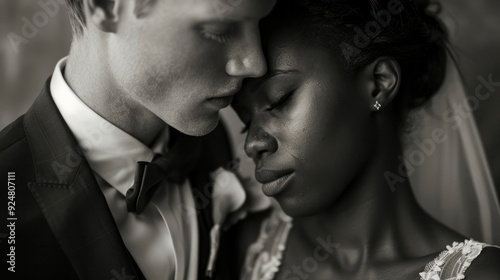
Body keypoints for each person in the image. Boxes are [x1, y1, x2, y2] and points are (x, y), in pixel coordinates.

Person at [0, 0, 275, 279]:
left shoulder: (210, 140)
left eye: (261, 22)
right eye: (219, 28)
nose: (255, 63)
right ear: (105, 7)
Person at [228, 0, 500, 279]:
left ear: (379, 84)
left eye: (279, 100)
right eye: (246, 122)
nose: (252, 143)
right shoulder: (241, 247)